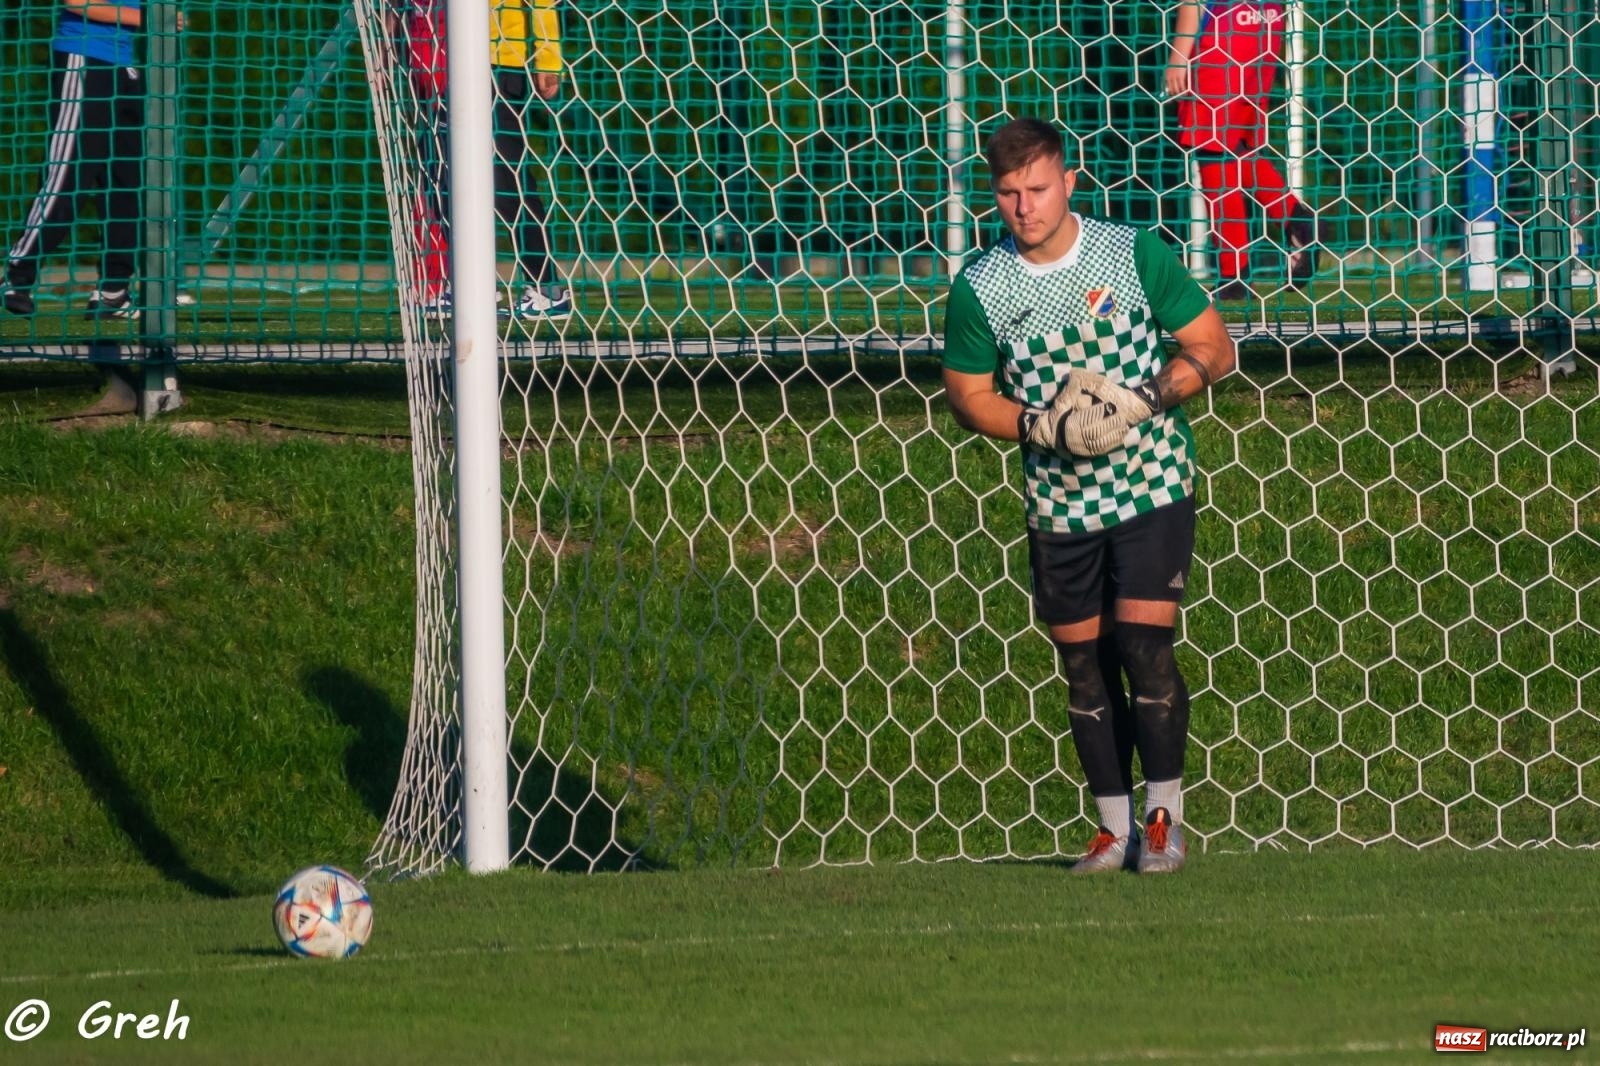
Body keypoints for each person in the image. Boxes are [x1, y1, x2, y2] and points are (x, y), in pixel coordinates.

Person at [941, 118, 1236, 874]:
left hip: (1150, 483)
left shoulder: (1130, 252)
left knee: (1144, 646)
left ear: (1069, 183)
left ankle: (1164, 823)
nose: (1024, 207)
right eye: (1007, 194)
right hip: (1059, 506)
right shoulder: (980, 286)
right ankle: (1113, 832)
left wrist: (1141, 402)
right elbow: (969, 396)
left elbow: (1214, 346)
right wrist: (1040, 425)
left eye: (1038, 189)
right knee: (1083, 665)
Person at [3, 0, 179, 321]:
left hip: (126, 69)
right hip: (85, 60)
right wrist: (154, 19)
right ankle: (16, 277)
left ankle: (113, 291)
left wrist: (169, 18)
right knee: (69, 176)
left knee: (129, 184)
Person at [397, 0, 570, 320]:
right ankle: (471, 285)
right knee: (438, 168)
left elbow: (543, 3)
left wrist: (548, 59)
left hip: (501, 66)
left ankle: (547, 289)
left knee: (506, 178)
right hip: (462, 62)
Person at [1165, 0, 1323, 300]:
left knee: (1210, 142)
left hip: (1223, 29)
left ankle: (1236, 273)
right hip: (1264, 23)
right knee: (1232, 146)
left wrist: (1178, 55)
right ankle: (1295, 223)